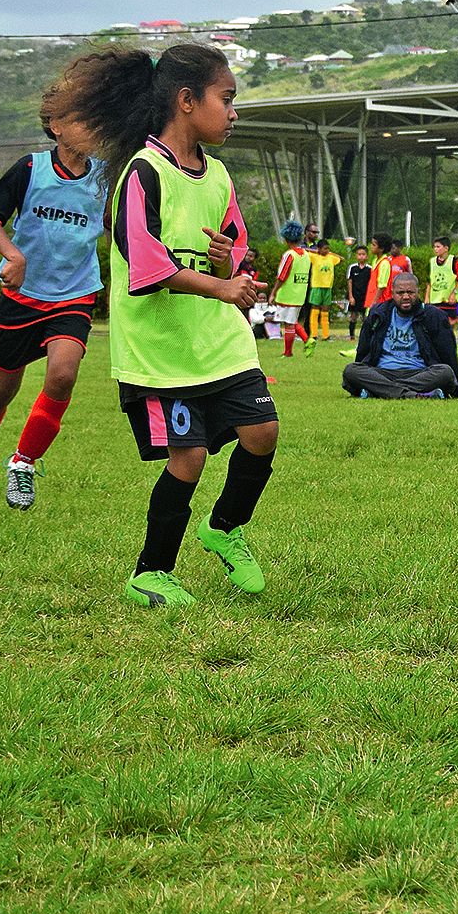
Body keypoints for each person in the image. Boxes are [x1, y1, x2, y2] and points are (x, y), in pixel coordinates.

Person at [48, 43, 276, 609]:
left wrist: (231, 270)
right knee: (189, 458)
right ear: (186, 100)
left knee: (263, 434)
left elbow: (235, 254)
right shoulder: (142, 173)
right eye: (227, 99)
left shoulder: (219, 175)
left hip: (219, 340)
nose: (233, 111)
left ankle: (224, 527)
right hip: (160, 351)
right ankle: (150, 572)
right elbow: (147, 268)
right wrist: (223, 286)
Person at [0, 106, 107, 511]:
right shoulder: (30, 168)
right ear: (55, 127)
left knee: (62, 375)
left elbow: (124, 225)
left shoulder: (105, 177)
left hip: (75, 294)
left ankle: (23, 463)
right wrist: (14, 257)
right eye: (78, 119)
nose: (88, 127)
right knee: (1, 389)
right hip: (22, 297)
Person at [343, 271, 458, 399]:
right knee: (351, 371)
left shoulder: (433, 316)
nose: (406, 296)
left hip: (419, 373)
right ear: (392, 293)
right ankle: (415, 395)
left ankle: (378, 391)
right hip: (383, 372)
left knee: (445, 372)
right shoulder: (378, 314)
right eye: (400, 293)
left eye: (410, 292)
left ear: (418, 292)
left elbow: (448, 352)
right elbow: (363, 349)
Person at [270, 221, 310, 356]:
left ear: (286, 239)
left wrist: (273, 293)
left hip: (288, 294)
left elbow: (282, 276)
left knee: (288, 324)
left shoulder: (289, 255)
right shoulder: (305, 254)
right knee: (292, 320)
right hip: (300, 294)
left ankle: (288, 353)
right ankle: (307, 340)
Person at [302, 235, 339, 353]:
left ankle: (326, 335)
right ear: (319, 249)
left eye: (328, 248)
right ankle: (313, 334)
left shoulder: (331, 258)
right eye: (324, 248)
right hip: (316, 287)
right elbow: (303, 250)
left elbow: (340, 258)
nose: (326, 251)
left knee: (325, 311)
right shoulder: (314, 257)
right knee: (314, 310)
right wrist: (315, 251)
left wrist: (330, 253)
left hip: (328, 287)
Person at [344, 239, 371, 338]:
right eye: (359, 254)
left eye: (363, 254)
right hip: (355, 296)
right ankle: (351, 336)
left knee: (365, 318)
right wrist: (351, 296)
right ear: (356, 256)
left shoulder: (370, 269)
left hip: (365, 297)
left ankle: (365, 336)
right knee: (353, 316)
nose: (361, 256)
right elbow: (349, 282)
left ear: (367, 256)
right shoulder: (352, 268)